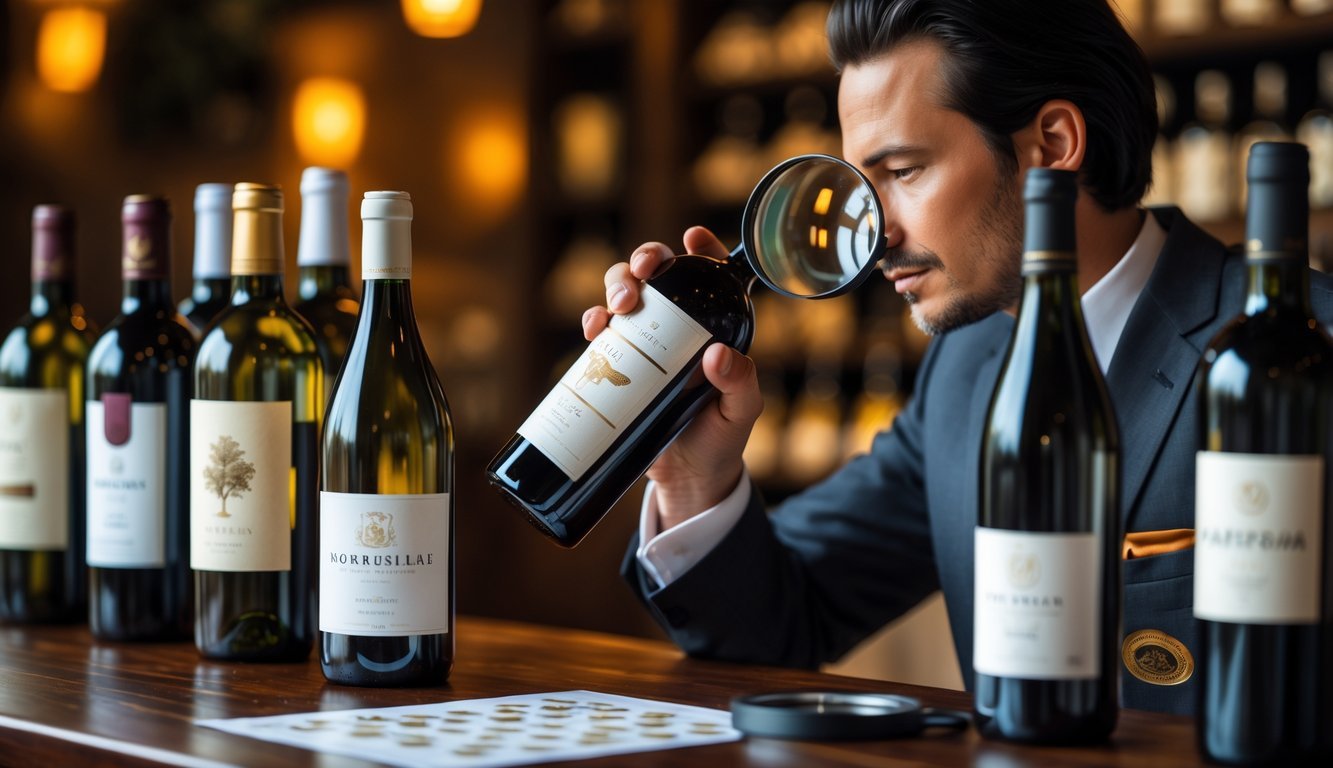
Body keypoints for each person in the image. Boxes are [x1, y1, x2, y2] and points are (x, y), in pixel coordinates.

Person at [582, 0, 1333, 715]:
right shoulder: (963, 372)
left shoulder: (1307, 348)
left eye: (901, 172)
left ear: (1052, 147)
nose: (871, 231)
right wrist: (692, 473)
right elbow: (779, 621)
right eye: (859, 184)